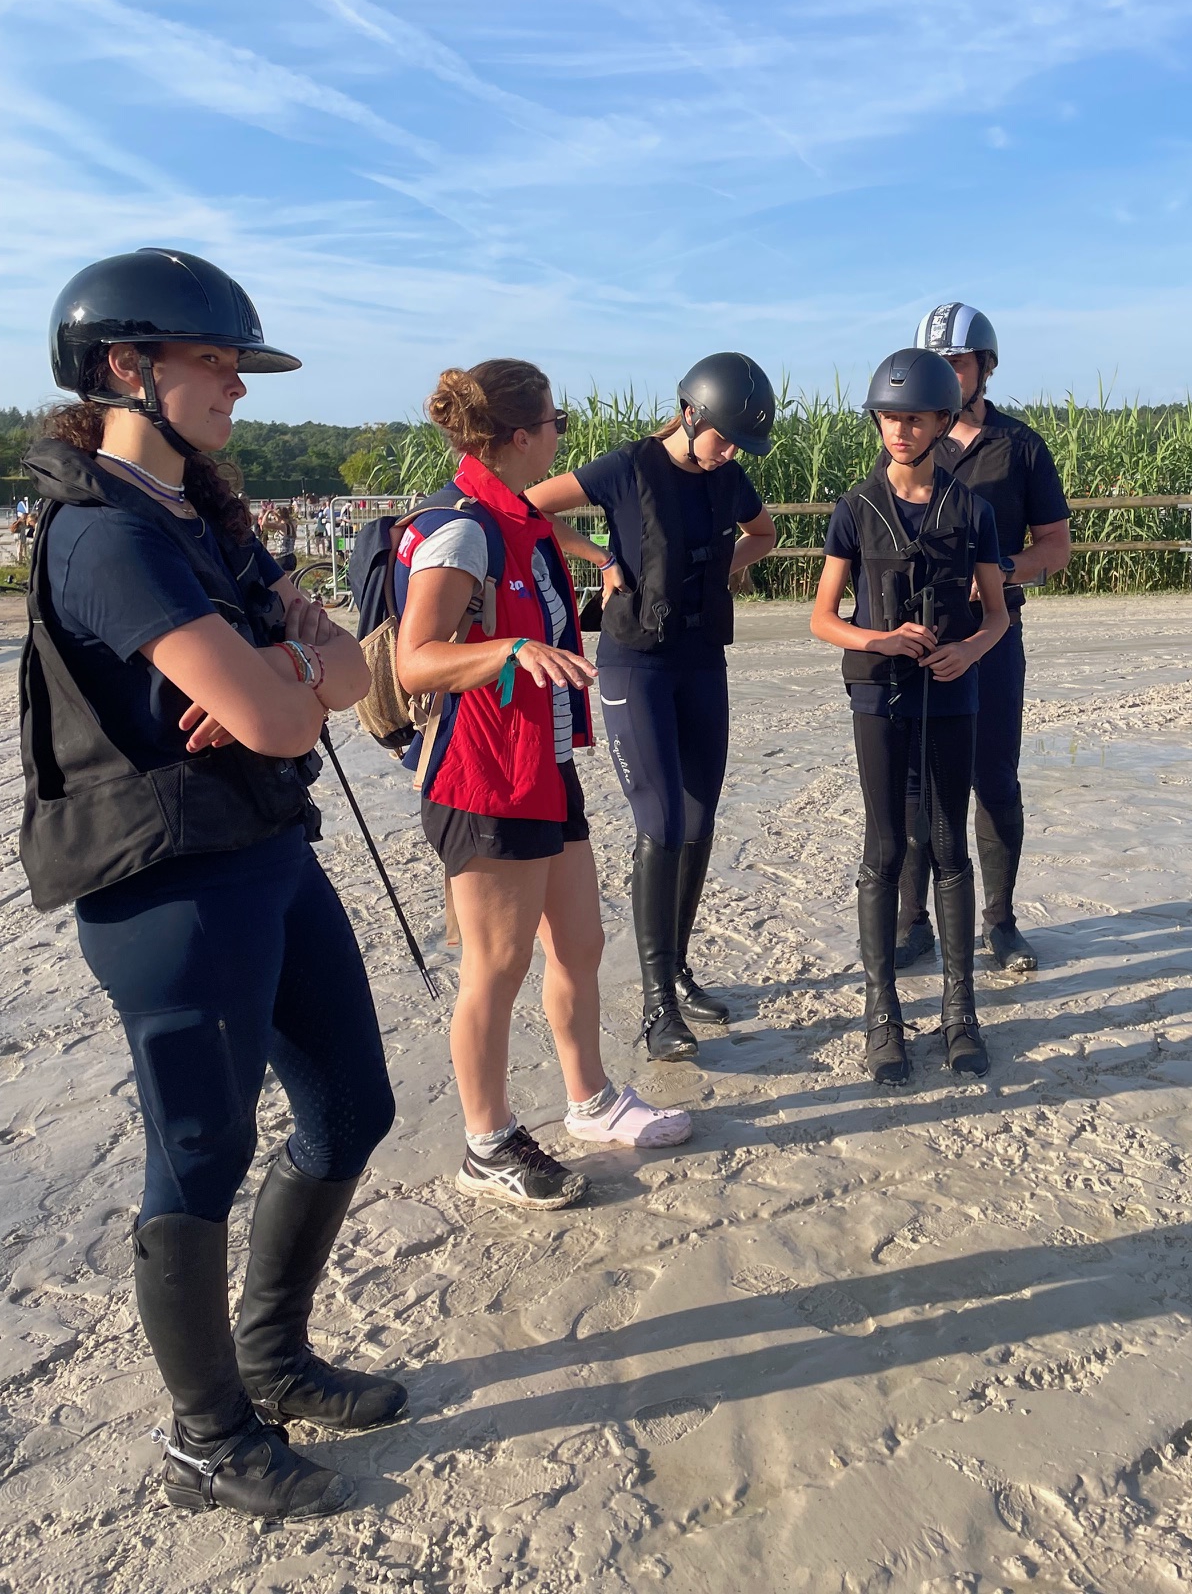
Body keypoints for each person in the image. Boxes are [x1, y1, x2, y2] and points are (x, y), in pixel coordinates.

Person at [19, 248, 400, 1521]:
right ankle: (207, 1435)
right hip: (168, 886)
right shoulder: (100, 535)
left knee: (353, 1104)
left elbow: (349, 678)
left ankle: (274, 1358)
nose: (238, 388)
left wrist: (270, 680)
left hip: (267, 857)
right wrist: (272, 684)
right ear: (129, 368)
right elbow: (295, 710)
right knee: (200, 1154)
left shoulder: (205, 518)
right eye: (217, 364)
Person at [394, 360, 691, 1212]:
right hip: (482, 776)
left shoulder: (510, 512)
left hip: (541, 765)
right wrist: (513, 651)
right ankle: (486, 1143)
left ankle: (590, 1100)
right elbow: (417, 661)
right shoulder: (461, 529)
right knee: (495, 964)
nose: (564, 432)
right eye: (555, 420)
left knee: (580, 943)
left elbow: (537, 534)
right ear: (522, 435)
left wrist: (593, 550)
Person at [527, 355, 778, 1062]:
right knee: (662, 821)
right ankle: (656, 1004)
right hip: (635, 663)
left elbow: (764, 535)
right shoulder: (626, 467)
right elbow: (525, 510)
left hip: (702, 659)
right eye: (723, 437)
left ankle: (678, 967)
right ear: (692, 413)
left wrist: (710, 572)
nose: (729, 453)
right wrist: (603, 562)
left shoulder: (729, 477)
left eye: (739, 445)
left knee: (698, 821)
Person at [810, 348, 1009, 1084]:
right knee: (885, 847)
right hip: (878, 691)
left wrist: (971, 652)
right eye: (889, 417)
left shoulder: (974, 512)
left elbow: (997, 616)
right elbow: (822, 618)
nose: (899, 430)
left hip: (950, 692)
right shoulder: (854, 510)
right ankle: (881, 1014)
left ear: (940, 422)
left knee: (949, 845)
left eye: (914, 417)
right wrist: (880, 639)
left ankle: (961, 1010)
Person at [897, 304, 1071, 976]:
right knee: (915, 785)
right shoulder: (907, 441)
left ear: (984, 368)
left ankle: (1000, 921)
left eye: (958, 362)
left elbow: (1054, 546)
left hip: (993, 637)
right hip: (915, 636)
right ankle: (914, 921)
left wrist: (1003, 570)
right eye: (935, 363)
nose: (946, 373)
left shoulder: (1021, 447)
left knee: (994, 778)